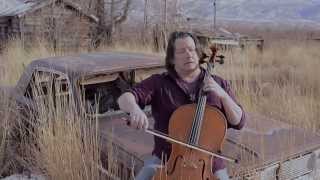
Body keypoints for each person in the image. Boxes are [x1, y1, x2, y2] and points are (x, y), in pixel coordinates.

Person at [117, 31, 246, 180]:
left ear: (198, 54)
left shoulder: (219, 84)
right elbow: (124, 98)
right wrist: (135, 110)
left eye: (191, 49)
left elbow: (239, 122)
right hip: (167, 160)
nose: (188, 54)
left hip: (209, 165)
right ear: (172, 58)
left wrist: (223, 95)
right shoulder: (159, 83)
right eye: (181, 51)